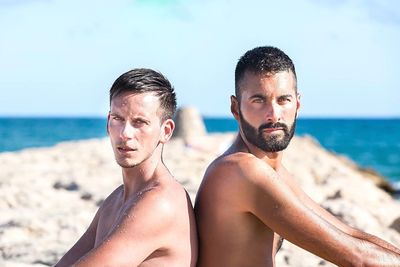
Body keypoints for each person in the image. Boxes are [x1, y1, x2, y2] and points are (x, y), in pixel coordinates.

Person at [194, 46, 400, 266]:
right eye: (259, 100)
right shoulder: (241, 170)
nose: (274, 114)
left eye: (283, 100)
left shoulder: (272, 170)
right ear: (236, 108)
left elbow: (348, 233)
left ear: (298, 104)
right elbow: (358, 259)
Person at [56, 68, 197, 266]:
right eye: (118, 119)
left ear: (165, 131)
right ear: (108, 123)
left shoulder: (161, 202)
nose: (125, 133)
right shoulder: (114, 200)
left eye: (139, 122)